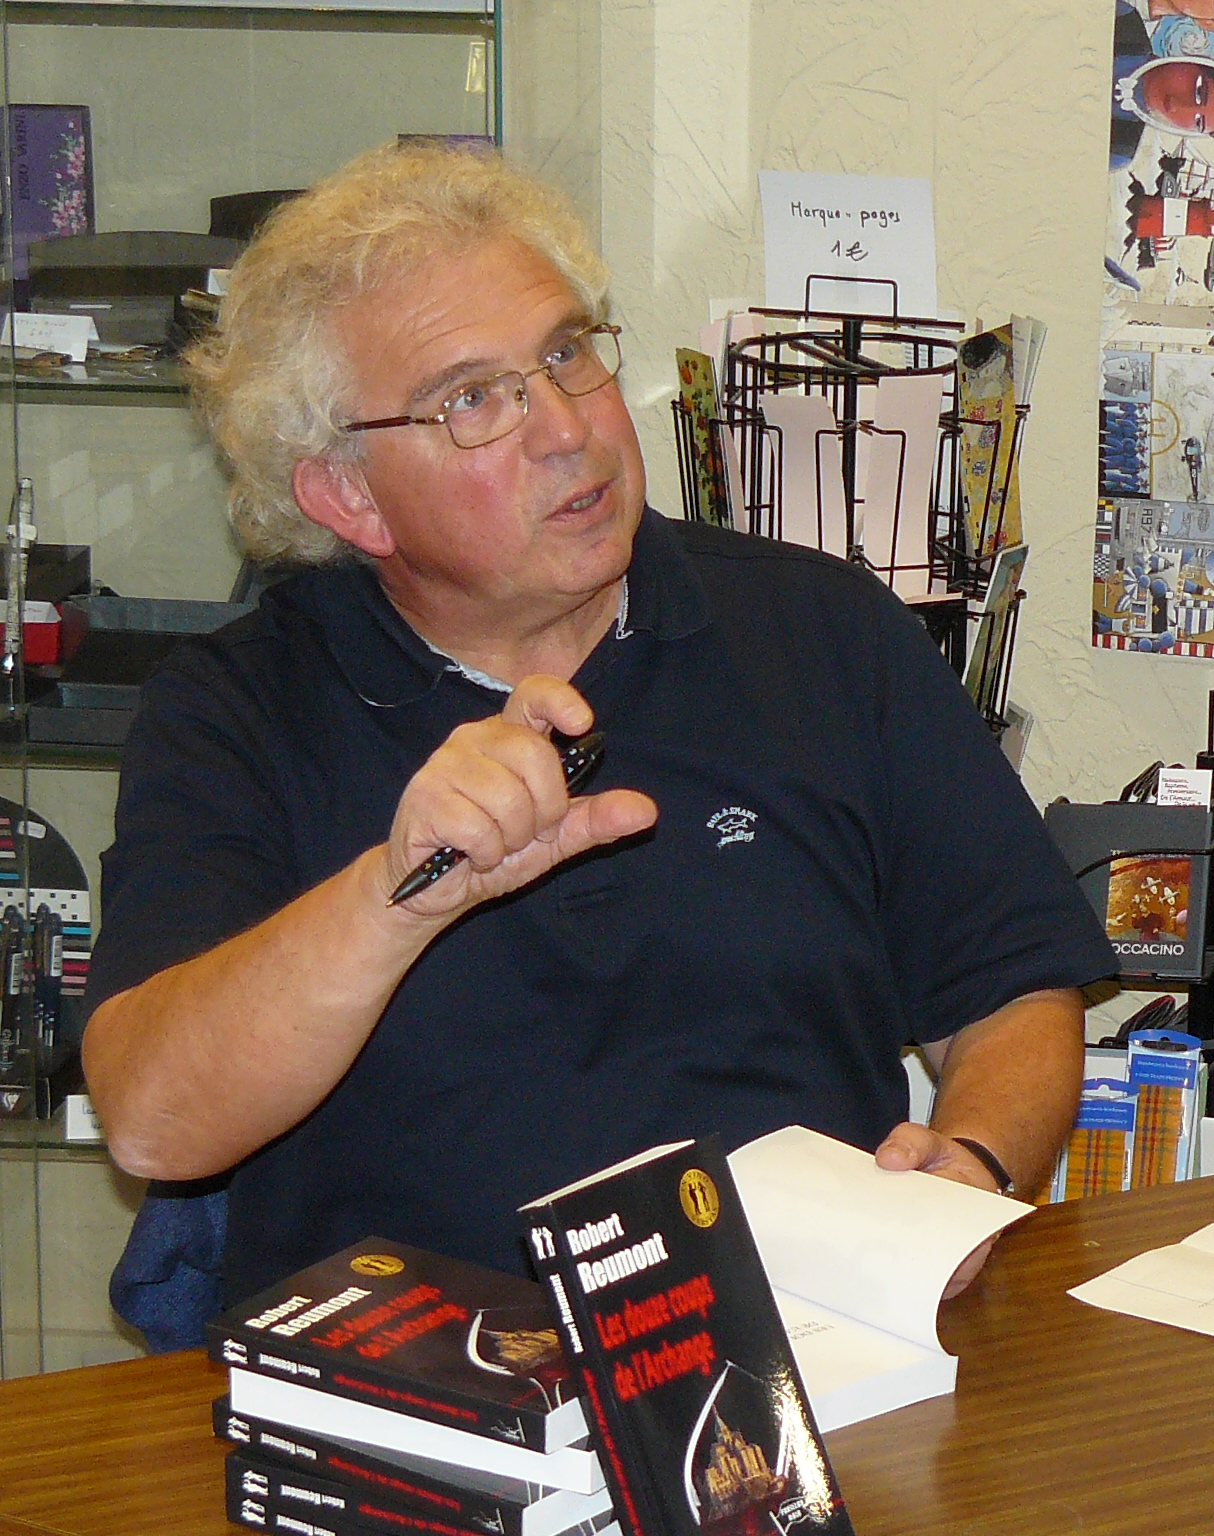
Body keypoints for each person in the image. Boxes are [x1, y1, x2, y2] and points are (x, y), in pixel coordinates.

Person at [81, 142, 1114, 1313]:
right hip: (418, 1409)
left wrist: (970, 1170)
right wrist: (398, 892)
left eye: (566, 353)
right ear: (347, 496)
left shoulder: (818, 629)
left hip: (795, 1372)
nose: (567, 428)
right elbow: (157, 1122)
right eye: (472, 399)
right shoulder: (234, 710)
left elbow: (1013, 989)